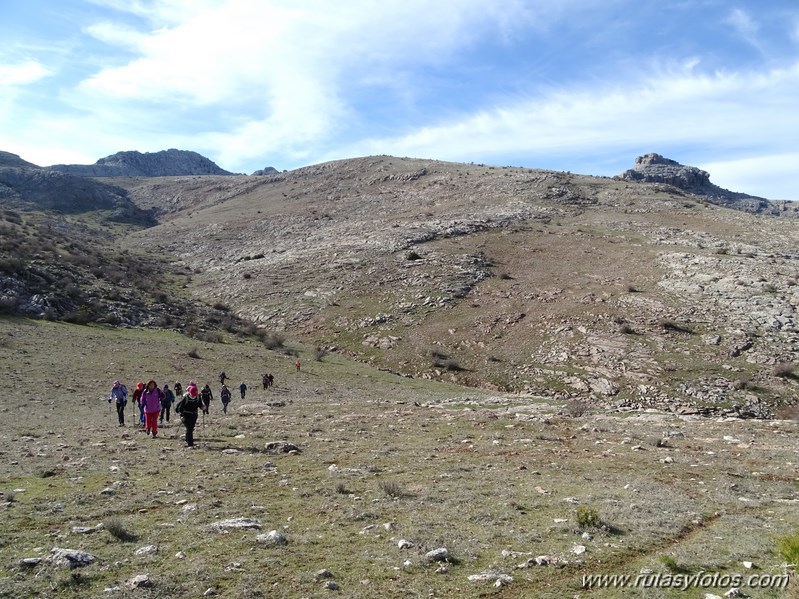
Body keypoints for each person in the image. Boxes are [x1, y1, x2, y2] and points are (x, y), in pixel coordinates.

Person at [176, 383, 201, 448]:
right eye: (192, 395)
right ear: (189, 393)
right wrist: (182, 416)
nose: (193, 396)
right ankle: (190, 444)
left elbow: (200, 404)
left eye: (194, 395)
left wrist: (203, 407)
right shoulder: (185, 398)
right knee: (189, 428)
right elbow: (180, 408)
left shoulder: (198, 397)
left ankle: (187, 440)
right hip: (186, 415)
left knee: (191, 428)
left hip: (194, 415)